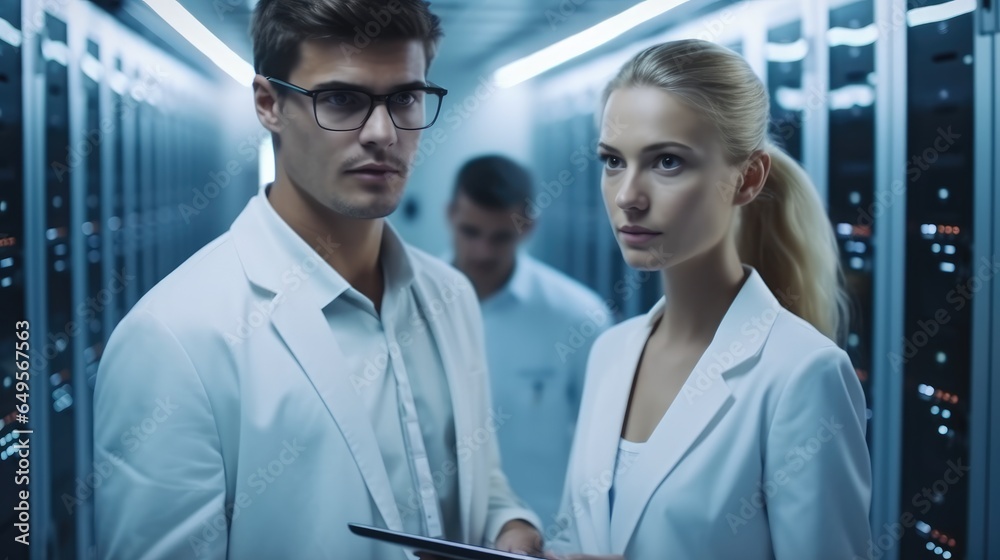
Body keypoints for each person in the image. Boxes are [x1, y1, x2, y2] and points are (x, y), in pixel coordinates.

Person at [92, 1, 543, 558]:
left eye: (404, 97)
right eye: (341, 99)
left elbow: (477, 482)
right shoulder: (174, 340)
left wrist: (511, 529)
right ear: (268, 104)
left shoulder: (450, 296)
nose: (382, 133)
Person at [547, 40, 871, 560]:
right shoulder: (611, 350)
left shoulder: (802, 374)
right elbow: (577, 535)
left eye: (667, 162)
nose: (628, 194)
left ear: (747, 179)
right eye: (613, 161)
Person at [446, 155, 613, 530]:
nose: (482, 252)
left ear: (528, 227)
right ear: (449, 215)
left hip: (544, 539)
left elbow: (606, 446)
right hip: (439, 540)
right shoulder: (412, 307)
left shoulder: (579, 318)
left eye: (501, 236)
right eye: (471, 232)